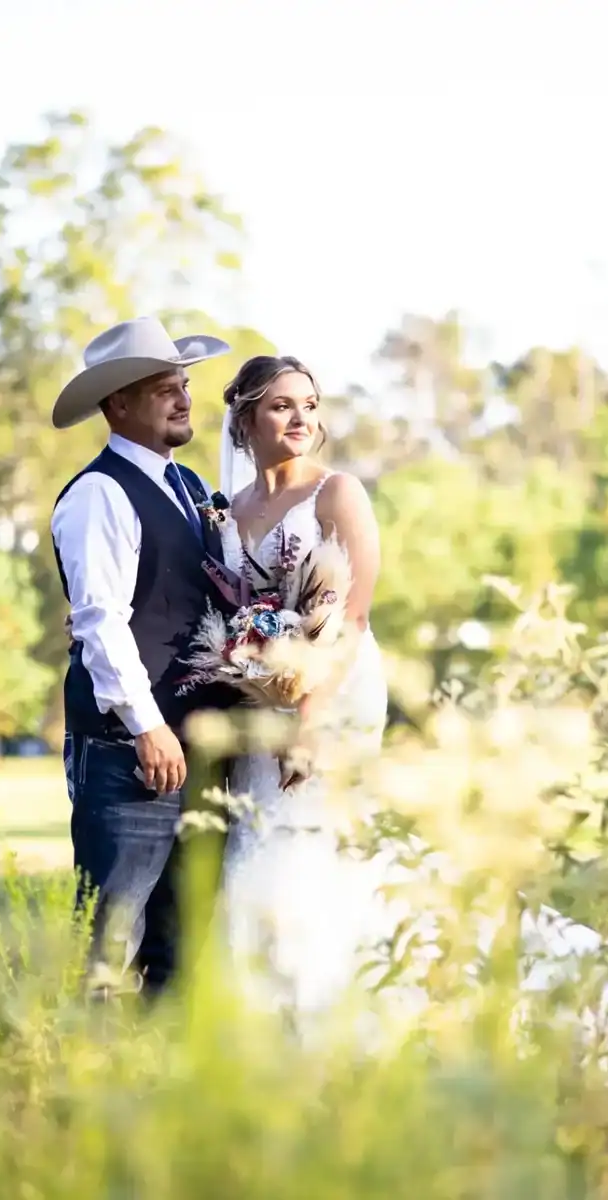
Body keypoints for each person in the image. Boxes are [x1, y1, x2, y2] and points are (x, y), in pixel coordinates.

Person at [47, 315, 244, 1000]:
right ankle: (89, 1090)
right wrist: (147, 724)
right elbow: (102, 621)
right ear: (118, 404)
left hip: (199, 750)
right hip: (130, 755)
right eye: (162, 388)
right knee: (111, 946)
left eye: (183, 385)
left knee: (180, 947)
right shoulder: (99, 495)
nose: (182, 398)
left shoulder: (191, 489)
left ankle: (159, 1093)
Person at [210, 355, 397, 1018]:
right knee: (260, 830)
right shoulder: (228, 512)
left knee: (316, 836)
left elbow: (351, 616)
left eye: (309, 405)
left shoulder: (337, 493)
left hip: (336, 695)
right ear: (246, 417)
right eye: (282, 405)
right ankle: (267, 1005)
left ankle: (336, 1000)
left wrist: (310, 717)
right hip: (261, 701)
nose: (301, 418)